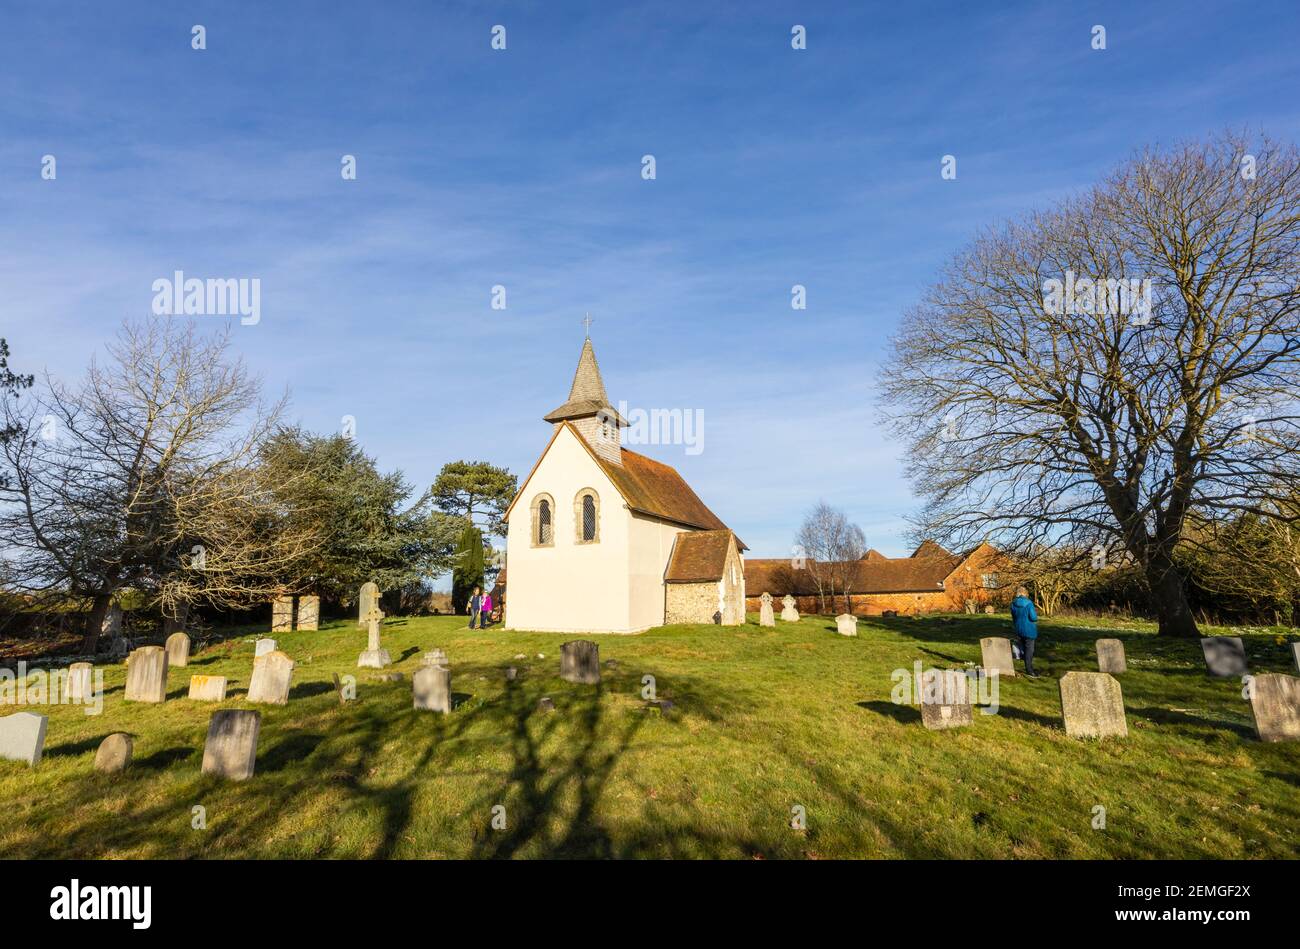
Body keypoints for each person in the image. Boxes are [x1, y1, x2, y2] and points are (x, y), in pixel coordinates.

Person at [1009, 586, 1039, 677]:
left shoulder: (1013, 604)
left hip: (1019, 629)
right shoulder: (1029, 603)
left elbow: (1014, 618)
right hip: (1029, 630)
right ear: (1025, 593)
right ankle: (1030, 670)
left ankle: (1025, 663)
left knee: (1023, 648)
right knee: (1030, 650)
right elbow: (1033, 618)